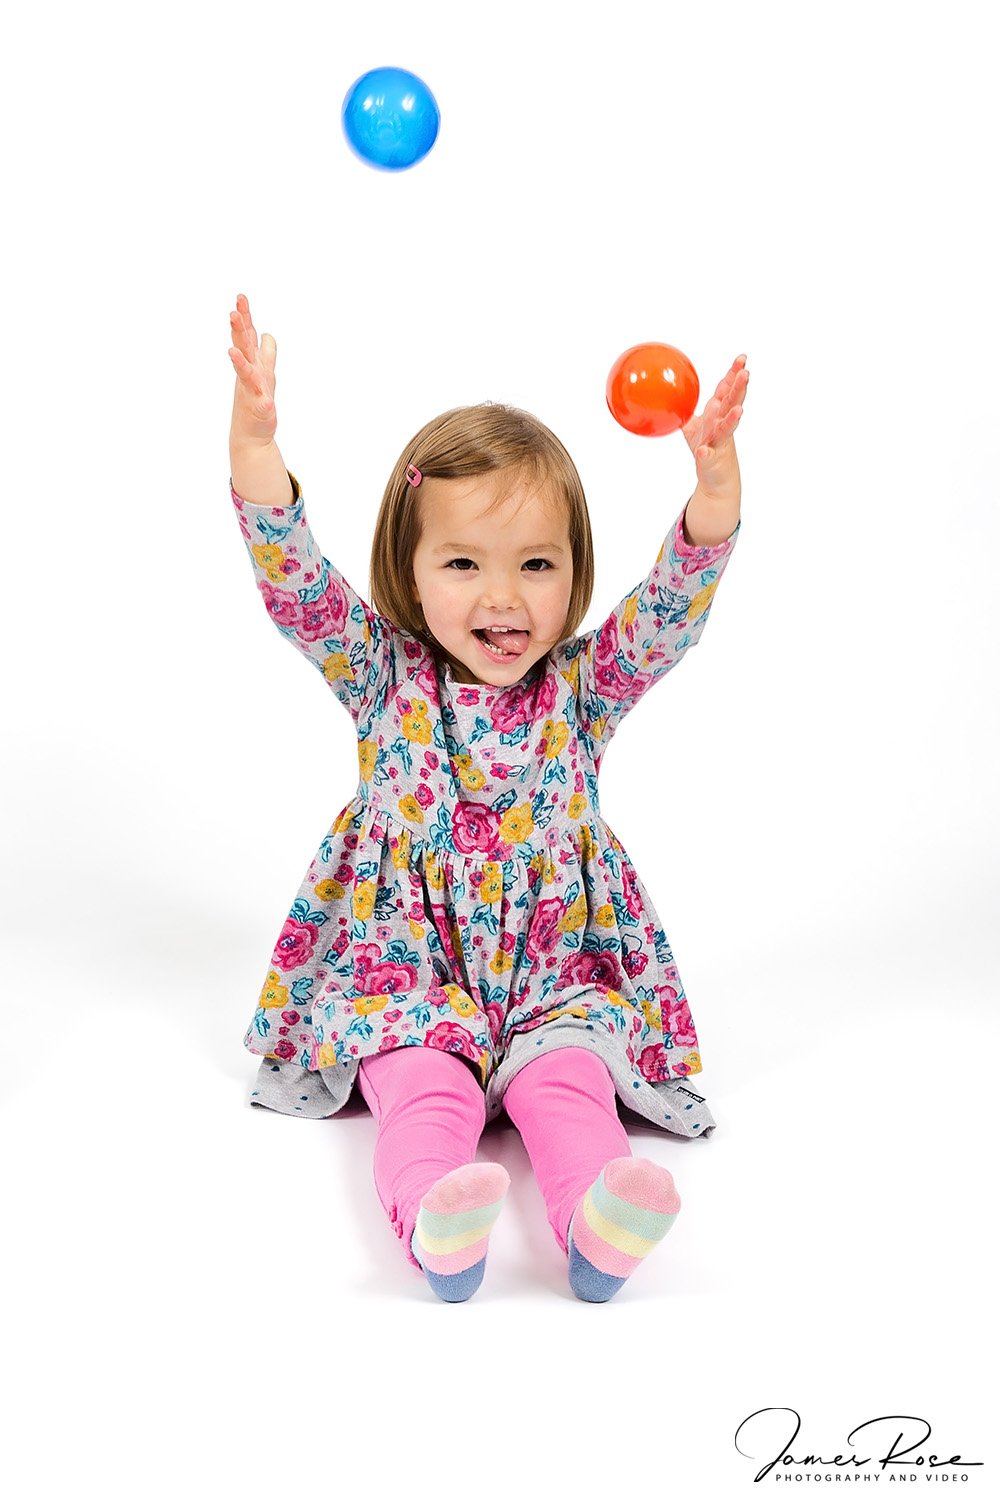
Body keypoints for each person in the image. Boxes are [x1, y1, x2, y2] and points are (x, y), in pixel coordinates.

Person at [227, 292, 748, 1302]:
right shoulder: (381, 676)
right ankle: (434, 1215)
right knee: (421, 1087)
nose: (502, 597)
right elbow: (292, 577)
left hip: (557, 970)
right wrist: (255, 440)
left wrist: (713, 484)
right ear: (411, 576)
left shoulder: (584, 690)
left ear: (572, 577)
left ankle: (598, 1221)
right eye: (462, 563)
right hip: (407, 971)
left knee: (570, 1085)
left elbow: (671, 611)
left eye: (535, 565)